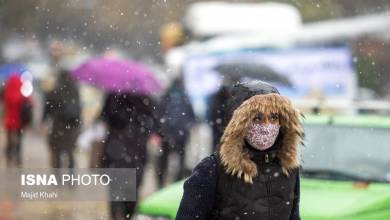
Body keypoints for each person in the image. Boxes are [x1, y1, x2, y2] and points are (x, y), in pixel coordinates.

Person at [176, 81, 303, 220]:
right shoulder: (213, 169)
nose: (267, 126)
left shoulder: (288, 169)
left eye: (274, 117)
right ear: (240, 124)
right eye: (257, 118)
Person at [100, 92, 159, 220]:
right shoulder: (146, 97)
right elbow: (154, 123)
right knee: (130, 189)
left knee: (117, 189)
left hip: (118, 148)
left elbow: (104, 119)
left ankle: (119, 215)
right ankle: (124, 215)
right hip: (134, 150)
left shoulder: (113, 95)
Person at [156, 77, 195, 188]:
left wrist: (160, 131)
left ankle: (161, 182)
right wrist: (187, 127)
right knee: (181, 159)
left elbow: (158, 114)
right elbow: (192, 117)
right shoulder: (185, 97)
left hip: (167, 133)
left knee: (164, 158)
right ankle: (177, 182)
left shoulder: (166, 96)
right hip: (181, 134)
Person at [42, 69, 81, 169]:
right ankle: (71, 175)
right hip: (73, 124)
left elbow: (47, 108)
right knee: (70, 149)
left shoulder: (55, 91)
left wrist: (44, 120)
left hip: (59, 124)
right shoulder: (74, 90)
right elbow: (78, 108)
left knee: (57, 149)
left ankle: (58, 176)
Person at [2, 74, 29, 167]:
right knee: (19, 140)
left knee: (9, 140)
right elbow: (29, 104)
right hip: (19, 121)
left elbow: (4, 105)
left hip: (9, 121)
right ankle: (18, 158)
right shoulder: (22, 94)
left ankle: (9, 157)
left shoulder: (7, 92)